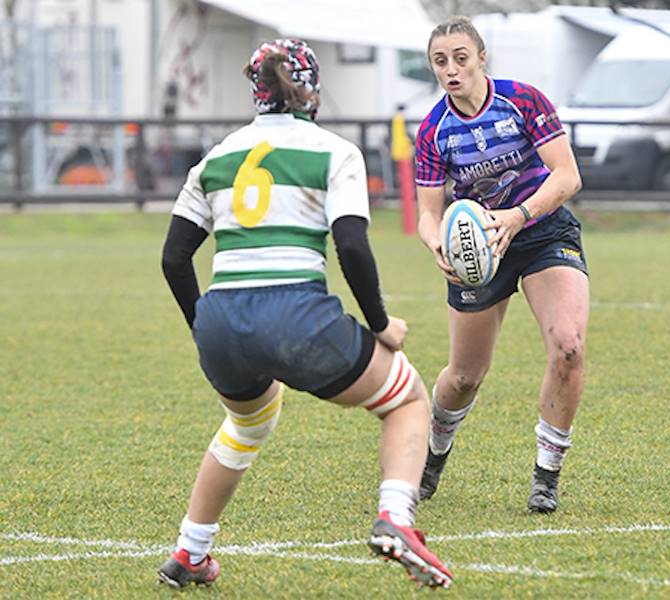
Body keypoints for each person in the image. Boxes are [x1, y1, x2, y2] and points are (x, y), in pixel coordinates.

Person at [158, 38, 452, 589]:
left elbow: (174, 257)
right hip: (295, 313)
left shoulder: (216, 156)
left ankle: (191, 552)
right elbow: (353, 246)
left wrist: (205, 327)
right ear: (311, 89)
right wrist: (382, 324)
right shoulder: (333, 151)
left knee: (248, 422)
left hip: (221, 321)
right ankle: (396, 517)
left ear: (256, 91)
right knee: (408, 399)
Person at [414, 17, 589, 514]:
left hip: (541, 232)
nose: (451, 70)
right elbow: (428, 214)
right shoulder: (434, 131)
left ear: (481, 58)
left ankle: (546, 475)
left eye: (460, 58)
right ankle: (433, 453)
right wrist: (438, 246)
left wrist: (518, 216)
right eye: (440, 61)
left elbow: (567, 175)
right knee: (465, 376)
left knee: (569, 347)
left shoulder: (523, 100)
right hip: (480, 252)